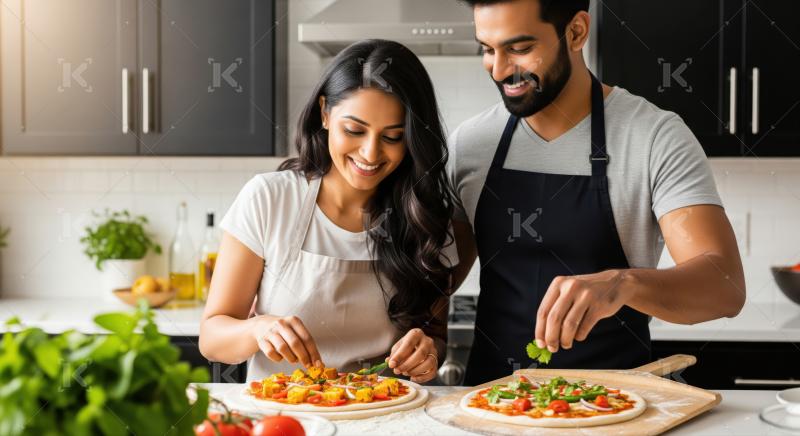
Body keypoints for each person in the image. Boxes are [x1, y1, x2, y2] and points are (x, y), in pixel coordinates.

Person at [449, 0, 745, 385]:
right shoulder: (471, 143)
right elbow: (438, 278)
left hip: (616, 406)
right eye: (488, 50)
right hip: (489, 402)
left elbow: (725, 287)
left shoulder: (654, 137)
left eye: (519, 49)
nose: (501, 69)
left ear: (576, 32)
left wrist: (623, 284)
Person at [200, 39, 458, 383]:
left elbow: (435, 340)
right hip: (286, 419)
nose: (370, 153)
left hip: (385, 416)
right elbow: (212, 338)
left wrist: (428, 353)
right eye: (354, 130)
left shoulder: (424, 214)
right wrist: (258, 329)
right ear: (324, 113)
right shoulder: (269, 199)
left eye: (393, 137)